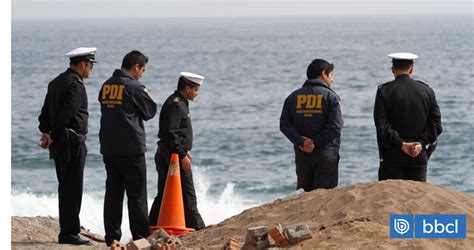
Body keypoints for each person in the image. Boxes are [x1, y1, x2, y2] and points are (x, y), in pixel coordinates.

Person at [38, 47, 96, 245]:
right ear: (82, 65)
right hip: (71, 141)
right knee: (72, 188)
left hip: (60, 143)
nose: (91, 70)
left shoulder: (56, 82)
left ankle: (67, 231)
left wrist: (46, 133)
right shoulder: (76, 85)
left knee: (65, 187)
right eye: (90, 66)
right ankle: (70, 233)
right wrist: (53, 134)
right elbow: (69, 113)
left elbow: (44, 114)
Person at [98, 50, 157, 246]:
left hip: (109, 148)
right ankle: (140, 237)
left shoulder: (106, 85)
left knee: (113, 195)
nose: (142, 74)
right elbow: (150, 111)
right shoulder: (135, 87)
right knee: (137, 196)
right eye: (142, 70)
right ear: (135, 68)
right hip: (131, 149)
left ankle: (112, 238)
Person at [149, 72, 205, 231]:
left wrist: (185, 151)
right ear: (187, 88)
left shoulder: (181, 102)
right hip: (171, 156)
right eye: (195, 89)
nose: (197, 93)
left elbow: (178, 133)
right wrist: (182, 155)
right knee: (187, 193)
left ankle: (151, 225)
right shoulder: (175, 104)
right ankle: (199, 228)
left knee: (165, 193)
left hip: (173, 153)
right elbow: (171, 133)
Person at [374, 52, 442, 182]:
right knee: (417, 196)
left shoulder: (384, 91)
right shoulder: (427, 91)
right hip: (418, 154)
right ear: (411, 69)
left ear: (392, 69)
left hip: (392, 155)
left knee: (391, 197)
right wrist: (421, 143)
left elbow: (381, 127)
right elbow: (436, 125)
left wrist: (401, 144)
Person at [280, 59, 344, 191]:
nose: (332, 80)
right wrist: (315, 143)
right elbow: (335, 126)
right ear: (323, 74)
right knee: (325, 198)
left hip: (303, 155)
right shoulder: (331, 97)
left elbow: (285, 125)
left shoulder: (293, 97)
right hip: (326, 155)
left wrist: (302, 142)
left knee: (304, 198)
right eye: (331, 75)